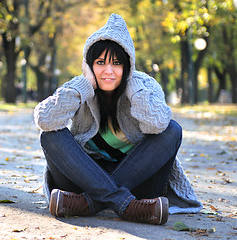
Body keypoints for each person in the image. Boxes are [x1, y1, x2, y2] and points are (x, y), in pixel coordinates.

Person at [34, 13, 202, 225]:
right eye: (100, 62)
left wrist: (133, 86)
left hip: (139, 183)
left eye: (116, 63)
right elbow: (44, 118)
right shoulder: (79, 87)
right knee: (50, 135)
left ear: (128, 65)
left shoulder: (144, 86)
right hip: (83, 178)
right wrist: (85, 85)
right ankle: (127, 206)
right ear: (89, 65)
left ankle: (89, 204)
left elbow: (157, 124)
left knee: (172, 130)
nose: (108, 71)